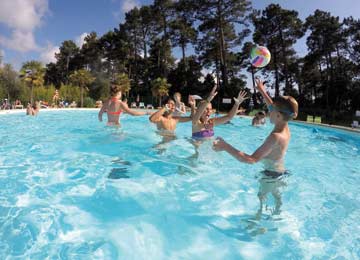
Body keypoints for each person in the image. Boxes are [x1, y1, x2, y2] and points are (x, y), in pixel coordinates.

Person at [213, 78, 298, 175]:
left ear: (278, 115)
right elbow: (272, 105)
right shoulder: (285, 126)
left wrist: (225, 146)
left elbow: (251, 160)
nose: (268, 111)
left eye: (271, 110)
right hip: (279, 171)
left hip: (271, 176)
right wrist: (262, 90)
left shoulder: (276, 136)